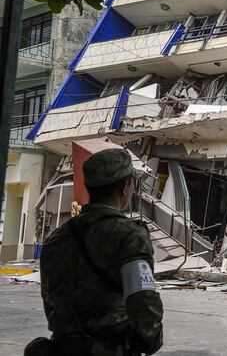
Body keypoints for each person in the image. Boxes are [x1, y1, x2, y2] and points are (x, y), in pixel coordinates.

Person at [30, 148, 163, 356]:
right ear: (125, 187)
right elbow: (142, 298)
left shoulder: (57, 239)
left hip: (62, 348)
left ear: (89, 186)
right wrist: (151, 339)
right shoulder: (130, 236)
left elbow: (51, 298)